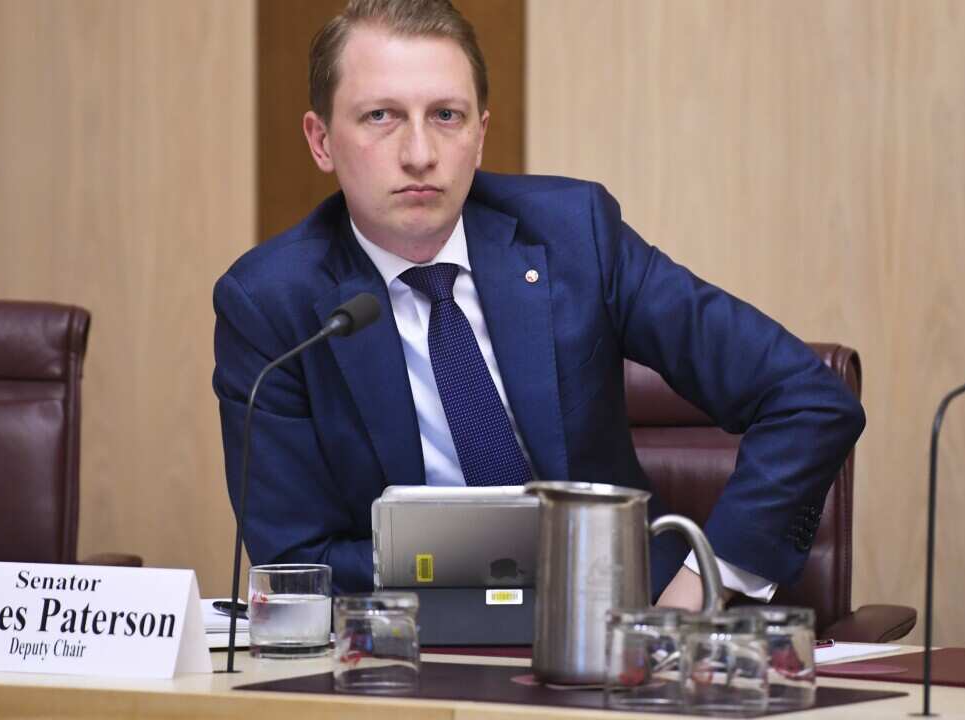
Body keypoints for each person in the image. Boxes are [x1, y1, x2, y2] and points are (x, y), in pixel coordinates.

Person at [212, 0, 864, 609]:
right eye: (380, 116)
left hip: (617, 629)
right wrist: (477, 578)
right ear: (321, 140)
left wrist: (700, 585)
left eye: (447, 115)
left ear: (481, 134)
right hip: (408, 648)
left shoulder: (573, 235)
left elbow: (807, 398)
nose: (419, 153)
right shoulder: (273, 303)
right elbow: (297, 566)